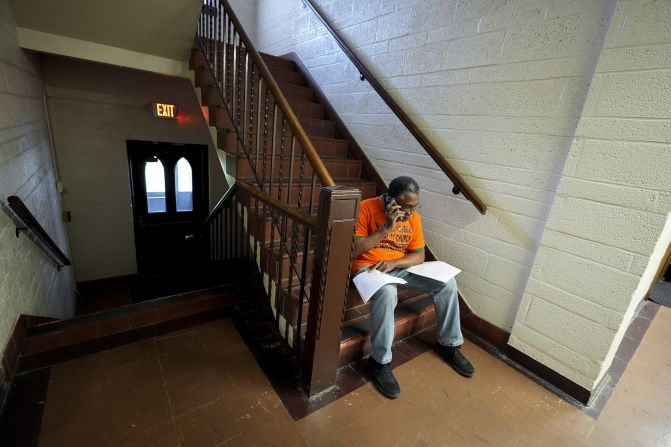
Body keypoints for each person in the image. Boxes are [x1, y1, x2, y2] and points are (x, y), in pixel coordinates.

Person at [351, 176, 474, 399]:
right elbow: (354, 250)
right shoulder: (366, 208)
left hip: (397, 266)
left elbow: (419, 256)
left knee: (447, 282)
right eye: (405, 207)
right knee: (387, 292)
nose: (410, 213)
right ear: (390, 200)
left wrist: (395, 263)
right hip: (369, 268)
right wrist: (385, 229)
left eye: (414, 206)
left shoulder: (413, 218)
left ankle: (449, 344)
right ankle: (379, 362)